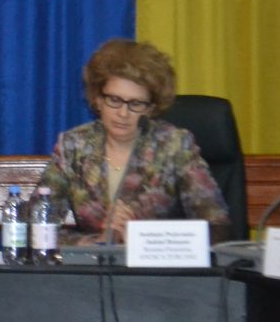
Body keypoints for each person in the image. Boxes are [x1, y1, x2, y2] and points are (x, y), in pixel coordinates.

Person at [37, 38, 230, 246]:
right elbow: (37, 227)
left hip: (158, 264)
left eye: (136, 104)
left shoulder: (174, 146)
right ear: (98, 100)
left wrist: (144, 238)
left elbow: (217, 228)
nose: (123, 113)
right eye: (114, 100)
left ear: (150, 108)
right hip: (93, 264)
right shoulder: (74, 146)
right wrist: (98, 242)